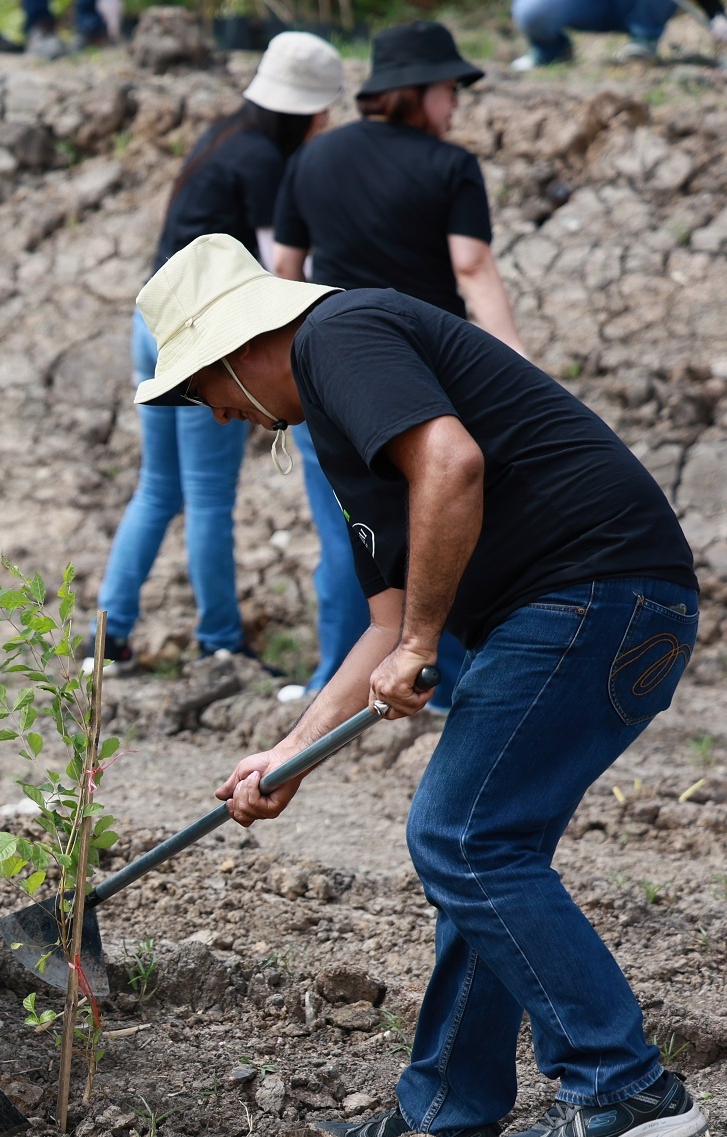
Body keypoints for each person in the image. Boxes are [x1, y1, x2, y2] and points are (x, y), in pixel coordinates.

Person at [138, 233, 705, 1137]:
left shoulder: (340, 334)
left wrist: (422, 646)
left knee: (464, 837)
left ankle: (624, 1084)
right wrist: (289, 754)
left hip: (597, 594)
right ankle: (451, 1112)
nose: (223, 415)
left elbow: (453, 464)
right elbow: (385, 622)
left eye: (206, 390)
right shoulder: (339, 429)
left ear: (231, 348)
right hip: (601, 603)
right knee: (487, 854)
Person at [271, 21, 523, 704]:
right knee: (448, 539)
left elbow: (286, 272)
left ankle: (339, 682)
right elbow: (471, 266)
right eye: (449, 89)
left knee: (350, 544)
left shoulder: (311, 160)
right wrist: (518, 361)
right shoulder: (450, 166)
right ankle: (446, 690)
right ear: (413, 92)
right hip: (426, 385)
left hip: (331, 382)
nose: (456, 105)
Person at [95, 33, 344, 675]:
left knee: (158, 488)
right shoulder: (264, 160)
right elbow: (277, 265)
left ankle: (109, 636)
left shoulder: (222, 137)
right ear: (309, 111)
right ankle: (220, 640)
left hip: (151, 321)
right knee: (207, 495)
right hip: (203, 339)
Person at [511, 0, 727, 67]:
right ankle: (551, 50)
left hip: (637, 7)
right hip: (588, 6)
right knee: (532, 9)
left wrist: (716, 14)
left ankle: (643, 39)